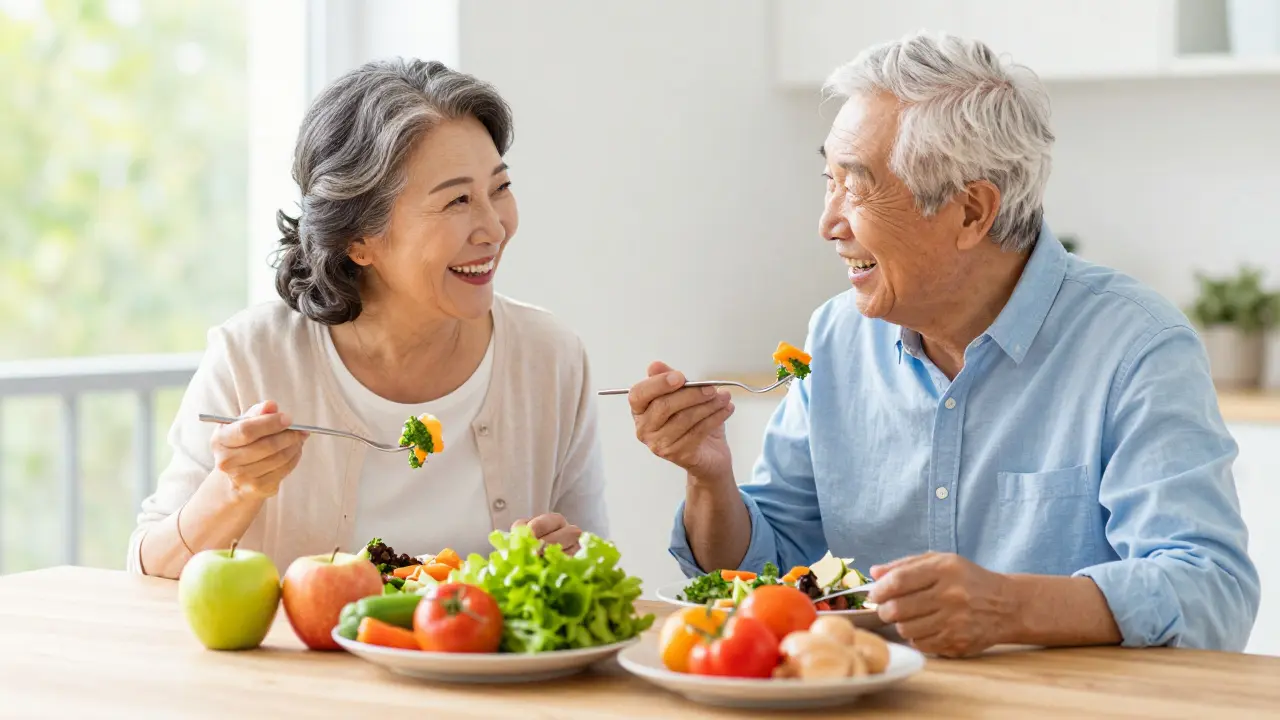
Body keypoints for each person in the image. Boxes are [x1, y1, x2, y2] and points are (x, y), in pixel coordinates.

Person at [628, 32, 1260, 655]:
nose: (828, 223)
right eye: (830, 180)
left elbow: (1211, 590)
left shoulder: (1136, 346)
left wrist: (1010, 607)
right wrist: (709, 480)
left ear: (970, 213)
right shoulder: (837, 337)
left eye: (858, 185)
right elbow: (764, 566)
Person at [129, 59, 606, 579]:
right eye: (458, 201)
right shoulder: (253, 357)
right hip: (296, 664)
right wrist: (233, 490)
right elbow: (146, 573)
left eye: (499, 188)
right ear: (359, 239)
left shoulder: (550, 356)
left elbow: (590, 569)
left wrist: (566, 565)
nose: (494, 228)